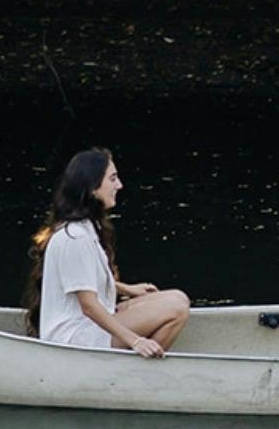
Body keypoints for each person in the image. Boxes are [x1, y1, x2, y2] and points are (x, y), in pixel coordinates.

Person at [22, 148, 192, 357]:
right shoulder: (74, 238)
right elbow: (89, 306)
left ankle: (131, 369)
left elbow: (80, 279)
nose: (119, 185)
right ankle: (133, 374)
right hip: (75, 338)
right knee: (175, 308)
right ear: (93, 187)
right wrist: (136, 341)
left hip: (87, 329)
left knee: (178, 298)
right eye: (112, 179)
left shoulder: (84, 228)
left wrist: (126, 289)